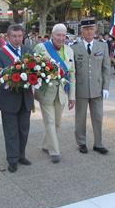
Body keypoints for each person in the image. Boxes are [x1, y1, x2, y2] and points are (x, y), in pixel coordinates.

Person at [0, 24, 33, 173]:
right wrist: (10, 82)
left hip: (26, 98)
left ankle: (21, 155)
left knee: (24, 130)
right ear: (8, 37)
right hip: (8, 99)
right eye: (14, 36)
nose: (17, 39)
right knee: (11, 132)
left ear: (23, 36)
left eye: (20, 36)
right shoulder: (0, 53)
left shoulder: (29, 51)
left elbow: (34, 70)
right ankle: (12, 160)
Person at [34, 23, 76, 163]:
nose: (61, 38)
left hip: (62, 92)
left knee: (57, 123)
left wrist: (72, 97)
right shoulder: (41, 48)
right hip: (46, 92)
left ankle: (46, 145)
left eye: (64, 35)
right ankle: (55, 151)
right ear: (52, 35)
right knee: (50, 121)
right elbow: (33, 69)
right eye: (58, 35)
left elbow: (72, 76)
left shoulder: (70, 51)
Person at [71, 17, 110, 155]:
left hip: (97, 88)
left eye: (91, 29)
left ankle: (98, 143)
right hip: (80, 88)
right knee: (80, 118)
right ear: (81, 31)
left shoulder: (102, 45)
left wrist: (106, 87)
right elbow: (72, 70)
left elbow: (106, 68)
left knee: (98, 117)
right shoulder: (74, 47)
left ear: (95, 30)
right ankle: (81, 143)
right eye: (86, 29)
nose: (89, 32)